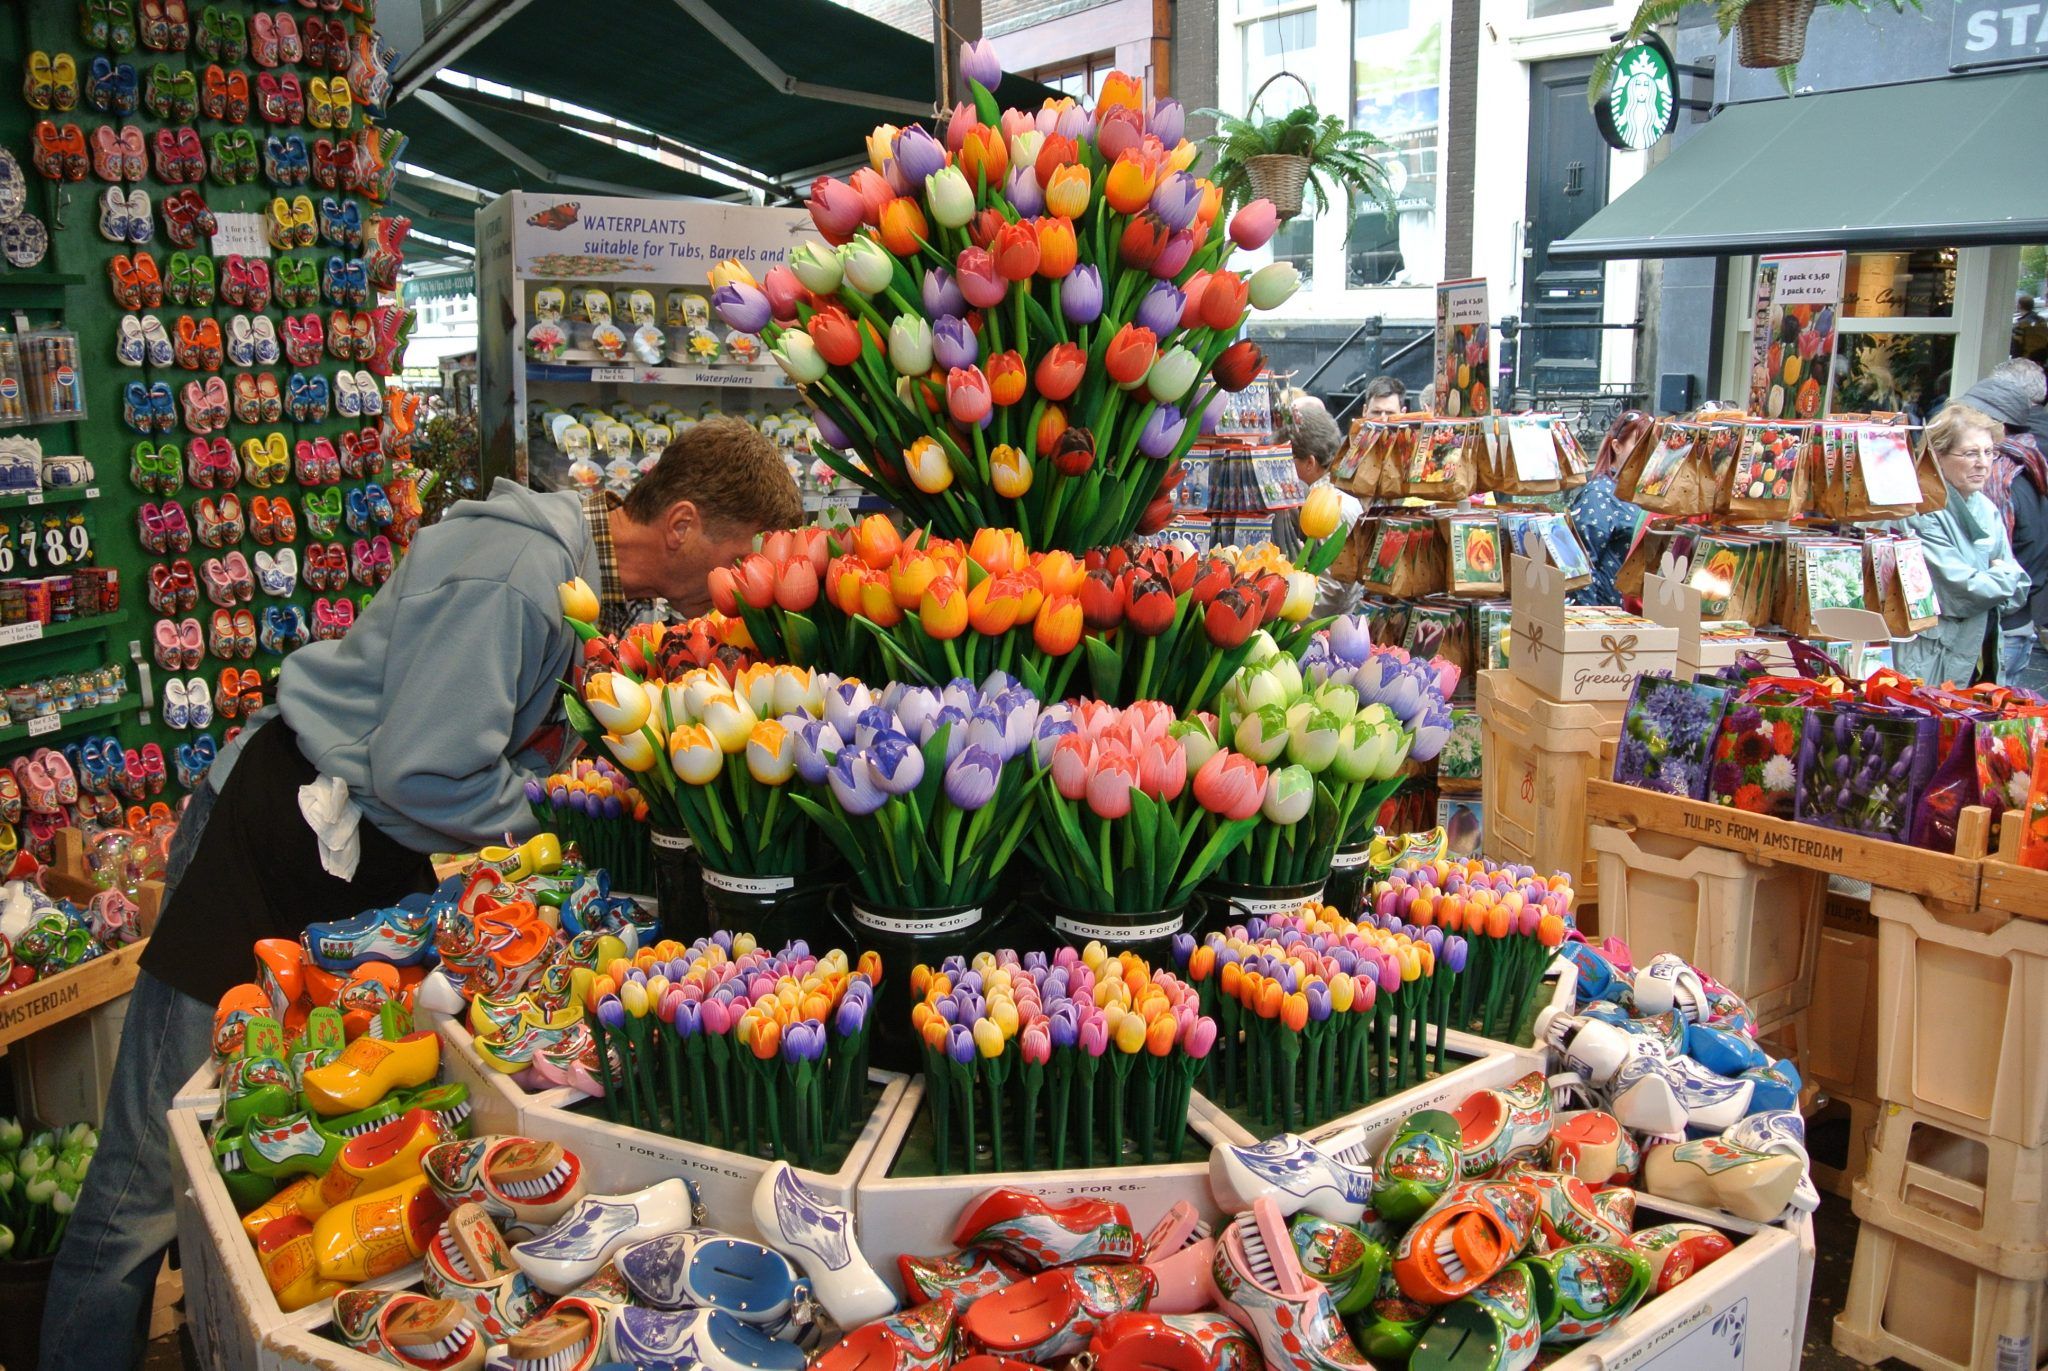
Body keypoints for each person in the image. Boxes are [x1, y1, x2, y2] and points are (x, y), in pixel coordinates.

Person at [41, 417, 800, 1371]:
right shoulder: (518, 578)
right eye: (740, 562)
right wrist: (560, 834)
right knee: (152, 1162)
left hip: (356, 857)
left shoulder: (581, 594)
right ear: (683, 524)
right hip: (279, 838)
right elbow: (423, 773)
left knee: (279, 1141)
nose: (739, 589)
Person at [1897, 403, 2028, 687]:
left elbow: (2020, 592)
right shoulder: (1920, 509)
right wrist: (2003, 576)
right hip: (1933, 656)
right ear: (1938, 456)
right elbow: (1960, 591)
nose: (1983, 462)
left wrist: (1996, 582)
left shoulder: (1986, 507)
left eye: (1989, 452)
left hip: (1982, 650)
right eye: (1970, 453)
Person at [1957, 360, 2048, 680]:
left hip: (2000, 630)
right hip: (2022, 621)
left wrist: (2005, 593)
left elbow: (1986, 561)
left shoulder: (1996, 477)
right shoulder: (2029, 460)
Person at [1271, 392, 1372, 617]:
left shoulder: (1335, 505)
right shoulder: (1319, 496)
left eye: (1286, 459)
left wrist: (1280, 613)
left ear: (1310, 462)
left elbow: (1331, 591)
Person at [1567, 410, 1652, 606]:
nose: (1645, 454)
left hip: (1642, 615)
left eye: (1651, 447)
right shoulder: (1599, 494)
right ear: (1617, 446)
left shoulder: (1649, 495)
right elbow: (1580, 566)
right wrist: (1590, 621)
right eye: (1638, 445)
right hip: (1610, 617)